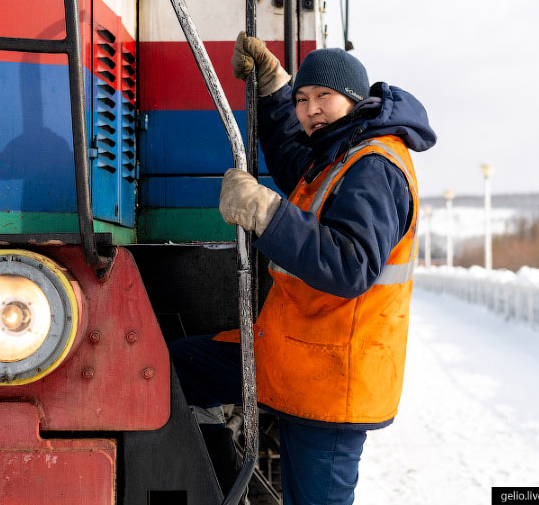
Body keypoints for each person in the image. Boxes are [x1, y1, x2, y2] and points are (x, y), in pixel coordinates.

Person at [169, 33, 437, 505]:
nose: (311, 110)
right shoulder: (339, 152)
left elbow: (350, 264)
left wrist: (265, 213)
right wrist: (274, 88)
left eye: (324, 98)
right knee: (168, 369)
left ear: (355, 101)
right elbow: (295, 157)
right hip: (295, 354)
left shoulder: (375, 165)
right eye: (303, 100)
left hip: (332, 379)